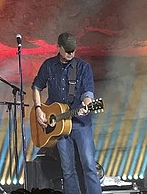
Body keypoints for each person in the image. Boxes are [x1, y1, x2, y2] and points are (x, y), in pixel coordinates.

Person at [32, 33, 102, 194]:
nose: (71, 53)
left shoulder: (83, 67)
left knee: (89, 165)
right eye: (68, 50)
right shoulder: (49, 66)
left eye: (73, 50)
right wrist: (38, 108)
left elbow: (88, 92)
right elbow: (36, 86)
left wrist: (87, 105)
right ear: (59, 48)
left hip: (80, 124)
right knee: (67, 170)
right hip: (60, 127)